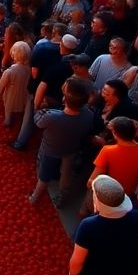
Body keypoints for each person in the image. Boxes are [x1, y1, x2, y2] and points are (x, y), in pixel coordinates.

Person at [28, 77, 98, 208]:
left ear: (64, 99)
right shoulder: (88, 114)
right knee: (66, 174)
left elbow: (38, 122)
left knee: (44, 175)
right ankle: (61, 197)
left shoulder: (52, 116)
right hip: (71, 149)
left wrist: (40, 109)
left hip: (50, 150)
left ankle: (35, 197)